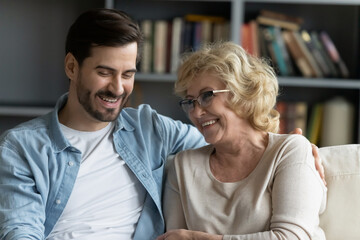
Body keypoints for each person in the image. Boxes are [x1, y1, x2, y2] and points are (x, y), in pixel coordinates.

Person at [0, 8, 323, 240]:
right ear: (72, 66)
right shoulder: (22, 146)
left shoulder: (149, 128)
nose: (117, 88)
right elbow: (20, 229)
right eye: (104, 72)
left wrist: (294, 150)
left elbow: (232, 142)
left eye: (127, 74)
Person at [158, 42, 327, 240]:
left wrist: (197, 238)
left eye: (207, 96)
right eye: (189, 101)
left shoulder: (288, 150)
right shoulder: (183, 166)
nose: (196, 111)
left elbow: (292, 238)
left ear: (244, 94)